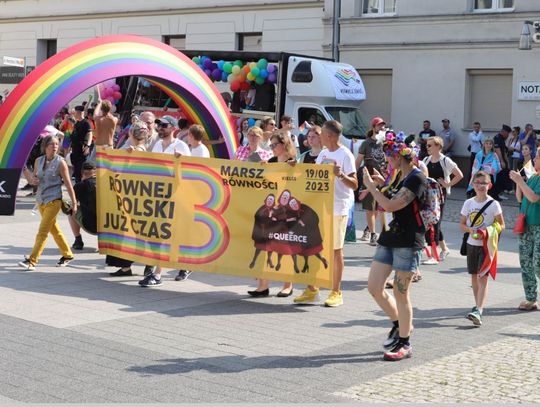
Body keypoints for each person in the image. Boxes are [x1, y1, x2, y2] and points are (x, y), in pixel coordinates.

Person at [363, 137, 427, 361]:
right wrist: (382, 184)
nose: (387, 161)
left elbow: (390, 205)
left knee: (401, 293)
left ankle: (405, 342)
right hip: (389, 237)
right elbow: (390, 196)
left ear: (399, 157)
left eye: (389, 157)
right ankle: (399, 324)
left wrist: (371, 187)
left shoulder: (417, 177)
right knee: (374, 287)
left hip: (408, 241)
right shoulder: (399, 175)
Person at [293, 120, 358, 307]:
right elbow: (313, 176)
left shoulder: (345, 155)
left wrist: (341, 175)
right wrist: (295, 167)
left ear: (329, 136)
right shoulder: (323, 153)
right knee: (313, 246)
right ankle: (312, 289)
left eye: (321, 133)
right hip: (319, 207)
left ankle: (336, 292)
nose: (318, 136)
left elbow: (355, 184)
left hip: (337, 208)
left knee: (336, 250)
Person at [137, 117, 191, 285]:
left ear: (173, 128)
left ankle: (159, 273)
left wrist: (180, 161)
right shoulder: (158, 145)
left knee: (167, 234)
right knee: (156, 234)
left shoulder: (181, 146)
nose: (160, 127)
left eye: (164, 125)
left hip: (174, 196)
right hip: (157, 195)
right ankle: (154, 269)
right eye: (159, 125)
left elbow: (190, 171)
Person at [247, 131, 297, 298]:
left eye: (274, 145)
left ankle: (288, 285)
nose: (272, 148)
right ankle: (263, 286)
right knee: (265, 246)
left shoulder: (293, 162)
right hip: (271, 210)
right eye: (271, 145)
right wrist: (262, 169)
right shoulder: (271, 161)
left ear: (284, 144)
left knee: (285, 246)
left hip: (286, 211)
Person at [18, 135, 78, 270]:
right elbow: (33, 180)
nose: (55, 146)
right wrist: (28, 174)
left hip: (54, 200)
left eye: (57, 144)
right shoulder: (38, 161)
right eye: (52, 144)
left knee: (42, 231)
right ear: (45, 146)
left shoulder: (61, 162)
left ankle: (32, 261)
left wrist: (74, 203)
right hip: (41, 200)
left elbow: (68, 184)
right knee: (54, 230)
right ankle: (67, 255)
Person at [460, 171, 504, 326]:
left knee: (482, 277)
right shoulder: (468, 203)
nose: (480, 186)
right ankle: (477, 305)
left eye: (484, 183)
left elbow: (501, 225)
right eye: (477, 183)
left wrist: (487, 232)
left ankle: (479, 310)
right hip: (471, 244)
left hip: (486, 247)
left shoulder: (494, 204)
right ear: (473, 184)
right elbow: (462, 224)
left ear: (489, 185)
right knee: (474, 276)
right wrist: (470, 230)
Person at [422, 136, 463, 263]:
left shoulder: (445, 160)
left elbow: (459, 175)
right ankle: (444, 249)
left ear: (438, 146)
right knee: (430, 222)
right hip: (428, 195)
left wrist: (447, 184)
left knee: (435, 223)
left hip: (439, 196)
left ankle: (433, 256)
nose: (427, 147)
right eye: (427, 145)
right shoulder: (426, 159)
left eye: (430, 145)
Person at [510, 151, 540, 311]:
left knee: (538, 263)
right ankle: (531, 299)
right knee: (526, 263)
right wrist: (518, 182)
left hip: (538, 226)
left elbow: (534, 198)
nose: (534, 159)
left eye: (537, 157)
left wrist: (520, 181)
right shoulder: (534, 177)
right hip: (526, 225)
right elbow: (520, 198)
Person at [356, 116, 386, 245]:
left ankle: (368, 228)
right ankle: (373, 234)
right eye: (379, 125)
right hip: (369, 178)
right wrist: (353, 175)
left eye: (383, 125)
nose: (382, 127)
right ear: (373, 127)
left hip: (383, 179)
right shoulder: (366, 143)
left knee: (378, 207)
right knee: (370, 208)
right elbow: (358, 161)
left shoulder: (386, 143)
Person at [69, 161, 97, 251]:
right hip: (108, 227)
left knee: (71, 211)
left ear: (82, 173)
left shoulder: (79, 186)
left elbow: (73, 205)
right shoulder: (106, 184)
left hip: (90, 226)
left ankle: (78, 241)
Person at [468, 135, 501, 201]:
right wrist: (479, 168)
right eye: (487, 143)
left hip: (489, 177)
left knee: (489, 196)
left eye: (490, 144)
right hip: (479, 176)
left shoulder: (494, 155)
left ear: (492, 145)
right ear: (484, 144)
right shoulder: (479, 154)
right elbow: (475, 165)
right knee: (477, 194)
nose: (488, 145)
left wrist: (490, 169)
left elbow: (498, 166)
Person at [70, 105, 93, 183]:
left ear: (79, 113)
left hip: (82, 150)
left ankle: (82, 185)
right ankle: (78, 185)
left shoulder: (86, 123)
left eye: (75, 113)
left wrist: (88, 146)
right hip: (75, 150)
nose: (74, 114)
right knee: (76, 170)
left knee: (81, 169)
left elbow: (90, 134)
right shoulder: (77, 123)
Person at [493, 124, 511, 200]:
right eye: (507, 134)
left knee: (503, 177)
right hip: (498, 161)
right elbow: (498, 150)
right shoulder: (497, 138)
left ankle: (500, 192)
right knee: (499, 178)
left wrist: (507, 162)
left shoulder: (502, 139)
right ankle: (497, 194)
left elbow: (504, 151)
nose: (508, 136)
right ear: (504, 132)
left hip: (502, 160)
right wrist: (502, 161)